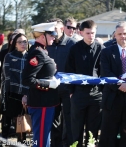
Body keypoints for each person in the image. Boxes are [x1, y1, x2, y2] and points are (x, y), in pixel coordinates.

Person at [65, 20, 104, 147]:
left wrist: (102, 91)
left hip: (96, 94)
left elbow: (104, 71)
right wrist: (71, 92)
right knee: (76, 128)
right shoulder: (74, 49)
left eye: (93, 33)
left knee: (93, 129)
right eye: (88, 33)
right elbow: (69, 70)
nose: (91, 36)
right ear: (81, 33)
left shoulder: (101, 49)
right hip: (78, 94)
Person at [22, 22, 60, 147]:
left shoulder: (41, 51)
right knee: (41, 141)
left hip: (45, 102)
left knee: (44, 139)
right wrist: (48, 84)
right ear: (43, 36)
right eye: (52, 34)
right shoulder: (37, 53)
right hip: (41, 103)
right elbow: (28, 79)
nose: (54, 37)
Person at [46, 18, 77, 147]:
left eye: (56, 29)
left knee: (69, 119)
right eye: (51, 30)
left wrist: (73, 89)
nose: (54, 33)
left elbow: (76, 67)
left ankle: (69, 144)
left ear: (62, 28)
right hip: (51, 89)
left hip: (68, 89)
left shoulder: (72, 44)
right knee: (53, 119)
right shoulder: (47, 44)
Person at [1, 33, 29, 142]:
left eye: (25, 42)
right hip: (12, 92)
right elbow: (7, 76)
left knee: (23, 120)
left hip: (26, 93)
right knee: (8, 119)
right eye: (20, 42)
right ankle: (3, 140)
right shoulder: (9, 56)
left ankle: (22, 142)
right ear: (15, 44)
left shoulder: (31, 56)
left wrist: (25, 94)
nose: (23, 44)